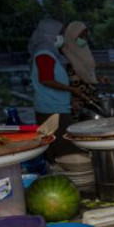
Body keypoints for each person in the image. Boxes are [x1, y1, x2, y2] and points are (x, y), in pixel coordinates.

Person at [28, 18, 81, 159]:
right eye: (60, 33)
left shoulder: (50, 54)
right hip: (51, 110)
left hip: (56, 107)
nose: (61, 37)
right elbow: (46, 80)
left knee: (58, 147)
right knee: (64, 150)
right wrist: (72, 90)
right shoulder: (44, 54)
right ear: (49, 34)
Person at [61, 21, 103, 121]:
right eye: (80, 36)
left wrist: (99, 78)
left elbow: (88, 73)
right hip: (76, 98)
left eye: (85, 36)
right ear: (72, 35)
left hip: (90, 96)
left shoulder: (84, 51)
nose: (83, 39)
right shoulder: (64, 55)